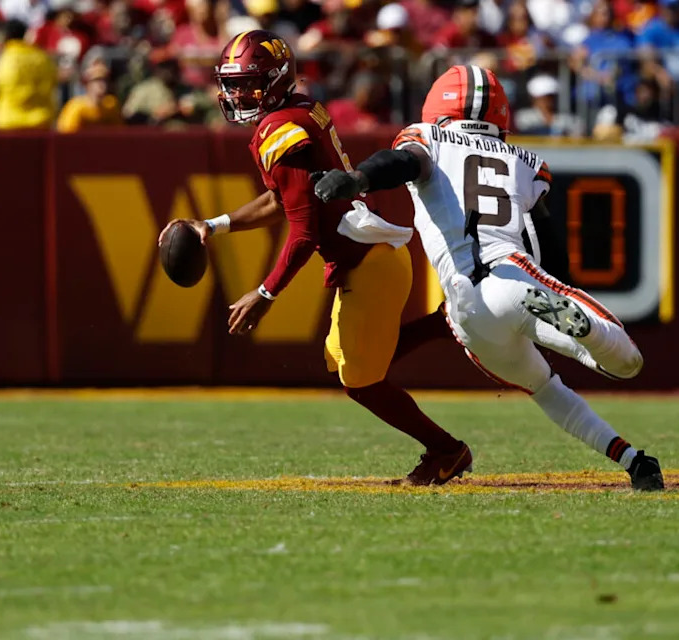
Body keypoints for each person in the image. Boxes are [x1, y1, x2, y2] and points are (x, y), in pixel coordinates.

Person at [313, 65, 664, 491]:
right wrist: (563, 285)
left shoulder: (428, 137)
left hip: (469, 315)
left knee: (546, 389)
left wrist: (357, 179)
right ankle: (588, 341)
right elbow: (549, 244)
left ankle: (633, 460)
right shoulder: (523, 159)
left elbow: (403, 162)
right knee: (627, 362)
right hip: (511, 276)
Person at [159, 30, 473, 486]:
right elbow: (280, 200)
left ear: (277, 79)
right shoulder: (296, 110)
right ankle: (441, 326)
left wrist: (266, 293)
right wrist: (214, 225)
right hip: (368, 257)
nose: (236, 93)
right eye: (233, 83)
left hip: (371, 264)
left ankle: (447, 451)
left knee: (361, 381)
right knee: (345, 361)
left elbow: (304, 231)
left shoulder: (281, 129)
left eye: (248, 82)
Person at [0, 19, 58, 129]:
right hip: (40, 120)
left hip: (9, 122)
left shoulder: (4, 57)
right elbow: (53, 82)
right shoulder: (42, 57)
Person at [56, 60, 123, 132]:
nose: (102, 85)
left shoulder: (112, 105)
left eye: (105, 80)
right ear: (86, 84)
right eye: (97, 80)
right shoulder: (76, 107)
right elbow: (66, 135)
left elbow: (119, 132)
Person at [514, 74, 584, 136]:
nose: (548, 100)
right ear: (534, 99)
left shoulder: (570, 120)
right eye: (543, 97)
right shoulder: (523, 117)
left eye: (551, 96)